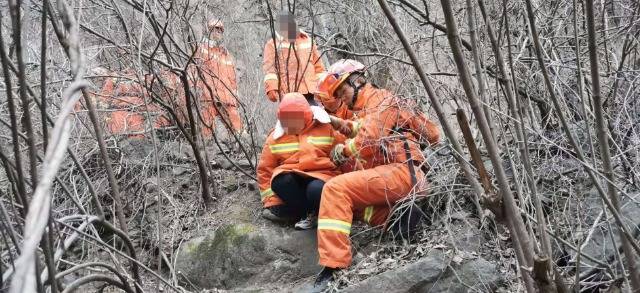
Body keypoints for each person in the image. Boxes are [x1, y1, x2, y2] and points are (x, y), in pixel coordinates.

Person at [311, 59, 441, 290]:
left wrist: (344, 150)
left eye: (343, 91)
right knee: (355, 208)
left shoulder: (381, 99)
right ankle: (401, 218)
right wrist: (336, 122)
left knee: (335, 189)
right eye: (338, 95)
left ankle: (334, 266)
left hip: (403, 173)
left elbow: (367, 140)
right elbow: (363, 126)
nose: (342, 99)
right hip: (398, 176)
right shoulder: (374, 106)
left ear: (358, 80)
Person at [257, 92, 345, 229]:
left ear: (306, 115)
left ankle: (317, 213)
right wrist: (272, 202)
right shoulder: (275, 137)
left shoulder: (326, 127)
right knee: (280, 182)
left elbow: (344, 155)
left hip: (322, 176)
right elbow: (265, 170)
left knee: (315, 190)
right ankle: (308, 213)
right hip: (293, 180)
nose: (292, 125)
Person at [193, 18, 244, 137]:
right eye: (215, 30)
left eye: (220, 31)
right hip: (208, 96)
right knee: (207, 128)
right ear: (209, 31)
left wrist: (235, 94)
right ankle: (208, 149)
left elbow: (232, 77)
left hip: (226, 96)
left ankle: (242, 146)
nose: (218, 33)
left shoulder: (225, 54)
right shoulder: (201, 49)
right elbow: (194, 70)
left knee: (237, 127)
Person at [262, 11, 325, 104]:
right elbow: (270, 69)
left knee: (319, 116)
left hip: (313, 92)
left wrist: (324, 86)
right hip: (290, 94)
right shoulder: (273, 44)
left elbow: (319, 68)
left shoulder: (308, 41)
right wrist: (271, 87)